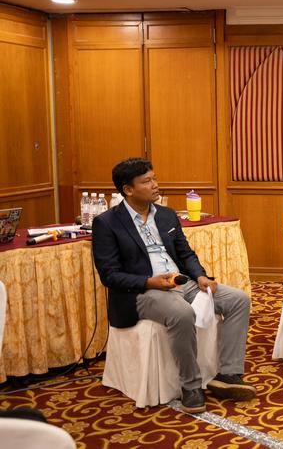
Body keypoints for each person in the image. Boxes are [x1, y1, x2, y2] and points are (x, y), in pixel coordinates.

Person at [92, 158, 256, 413]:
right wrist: (149, 281)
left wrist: (201, 276)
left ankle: (228, 374)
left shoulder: (167, 215)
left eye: (155, 178)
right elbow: (109, 275)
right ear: (128, 189)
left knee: (238, 299)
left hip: (181, 282)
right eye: (147, 181)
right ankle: (190, 385)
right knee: (181, 312)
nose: (156, 185)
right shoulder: (107, 223)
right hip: (142, 290)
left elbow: (185, 253)